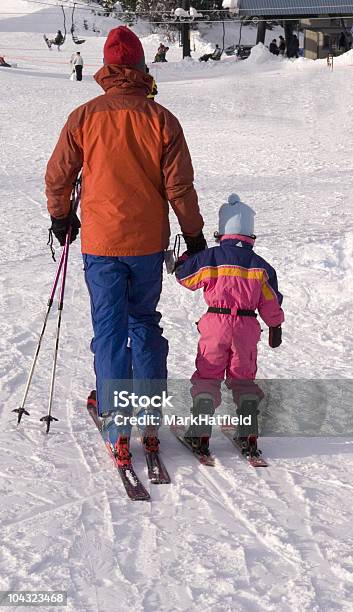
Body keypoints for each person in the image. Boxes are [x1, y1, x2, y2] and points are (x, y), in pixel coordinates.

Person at [45, 26, 205, 465]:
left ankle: (117, 424)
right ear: (139, 67)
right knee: (144, 324)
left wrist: (62, 217)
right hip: (146, 246)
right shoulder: (161, 119)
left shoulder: (85, 116)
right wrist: (193, 237)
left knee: (110, 330)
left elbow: (58, 176)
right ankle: (149, 417)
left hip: (100, 242)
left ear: (108, 68)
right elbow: (181, 188)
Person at [175, 194, 284, 457]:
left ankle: (199, 434)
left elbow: (185, 278)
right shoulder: (261, 266)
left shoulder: (212, 257)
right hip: (247, 326)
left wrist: (183, 261)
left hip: (216, 323)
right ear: (250, 235)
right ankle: (248, 435)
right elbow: (270, 300)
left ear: (222, 231)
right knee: (243, 379)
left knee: (208, 376)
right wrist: (275, 326)